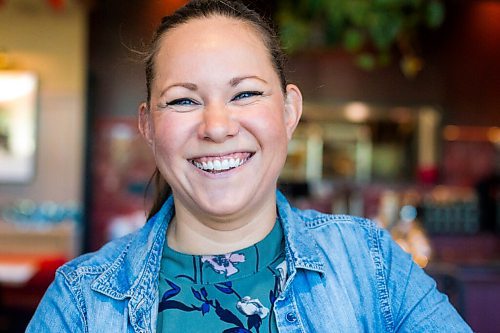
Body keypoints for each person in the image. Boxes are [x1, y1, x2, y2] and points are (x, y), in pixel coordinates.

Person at [27, 0, 473, 332]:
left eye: (245, 94)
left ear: (288, 110)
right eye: (183, 100)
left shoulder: (369, 263)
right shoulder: (81, 300)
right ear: (147, 124)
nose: (217, 127)